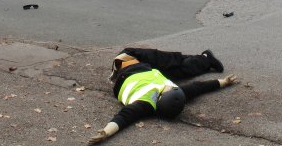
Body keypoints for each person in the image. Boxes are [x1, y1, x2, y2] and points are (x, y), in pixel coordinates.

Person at [88, 48, 236, 144]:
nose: (169, 86)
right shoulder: (174, 92)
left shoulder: (145, 102)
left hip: (128, 61)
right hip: (151, 71)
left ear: (160, 97)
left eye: (168, 89)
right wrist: (223, 82)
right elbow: (197, 88)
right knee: (180, 71)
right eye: (171, 87)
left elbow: (124, 117)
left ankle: (200, 58)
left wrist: (106, 132)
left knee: (170, 60)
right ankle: (205, 58)